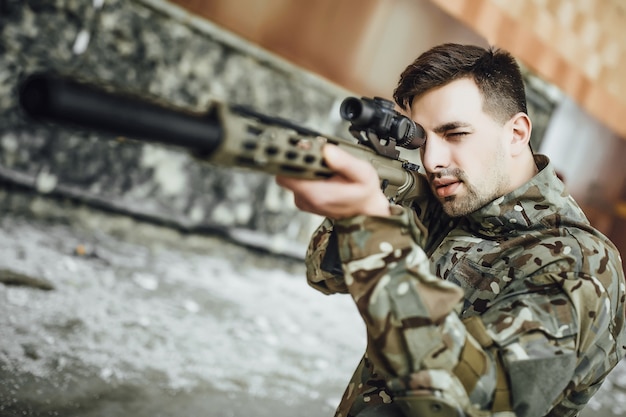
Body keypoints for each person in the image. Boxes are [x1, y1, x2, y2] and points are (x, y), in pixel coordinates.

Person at [276, 43, 626, 417]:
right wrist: (353, 211)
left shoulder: (580, 263)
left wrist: (372, 224)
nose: (432, 160)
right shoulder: (452, 207)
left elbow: (472, 402)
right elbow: (323, 274)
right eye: (422, 139)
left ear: (517, 133)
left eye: (455, 133)